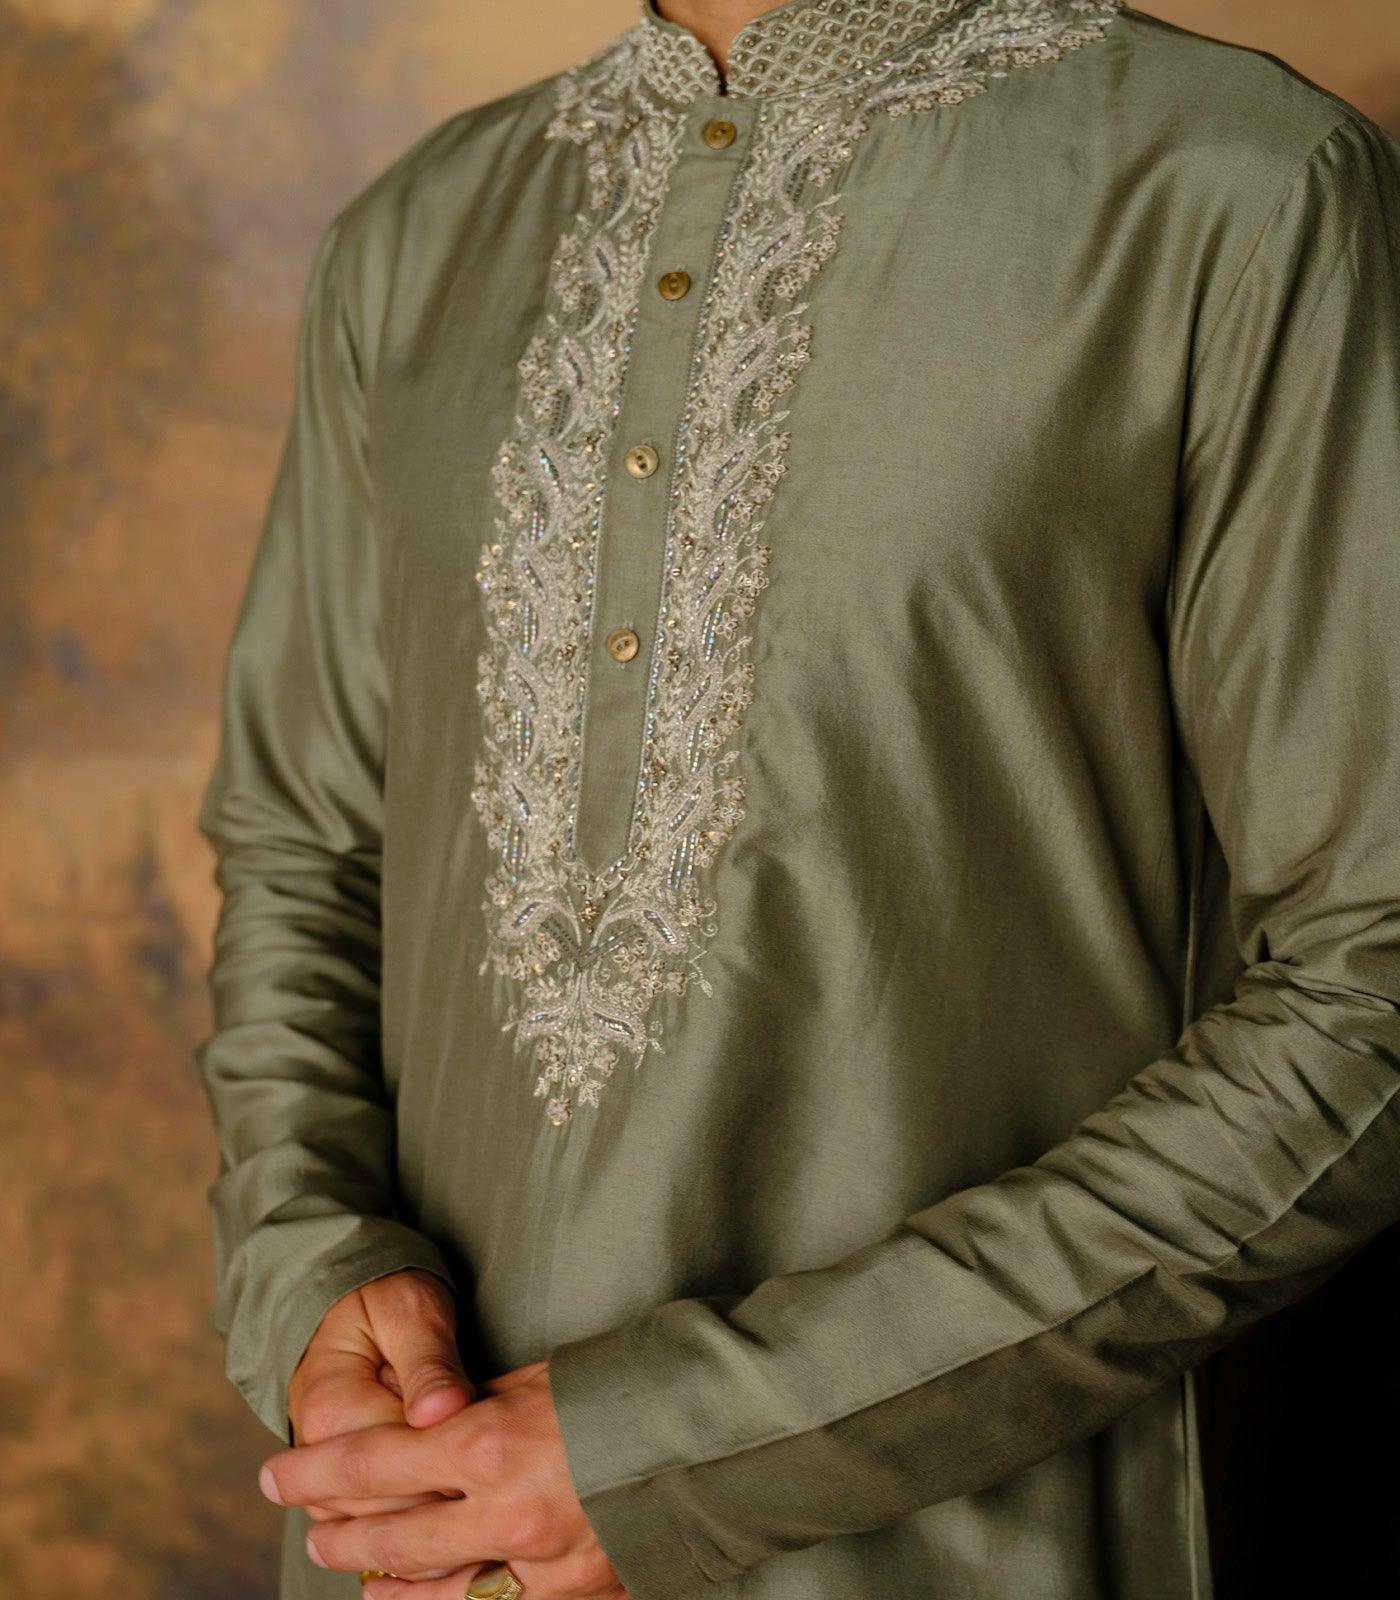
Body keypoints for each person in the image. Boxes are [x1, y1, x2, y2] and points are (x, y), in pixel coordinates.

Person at [193, 0, 1400, 1596]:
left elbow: (1371, 988)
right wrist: (315, 1274)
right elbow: (303, 857)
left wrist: (687, 1443)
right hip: (414, 1544)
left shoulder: (1234, 186)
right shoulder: (412, 242)